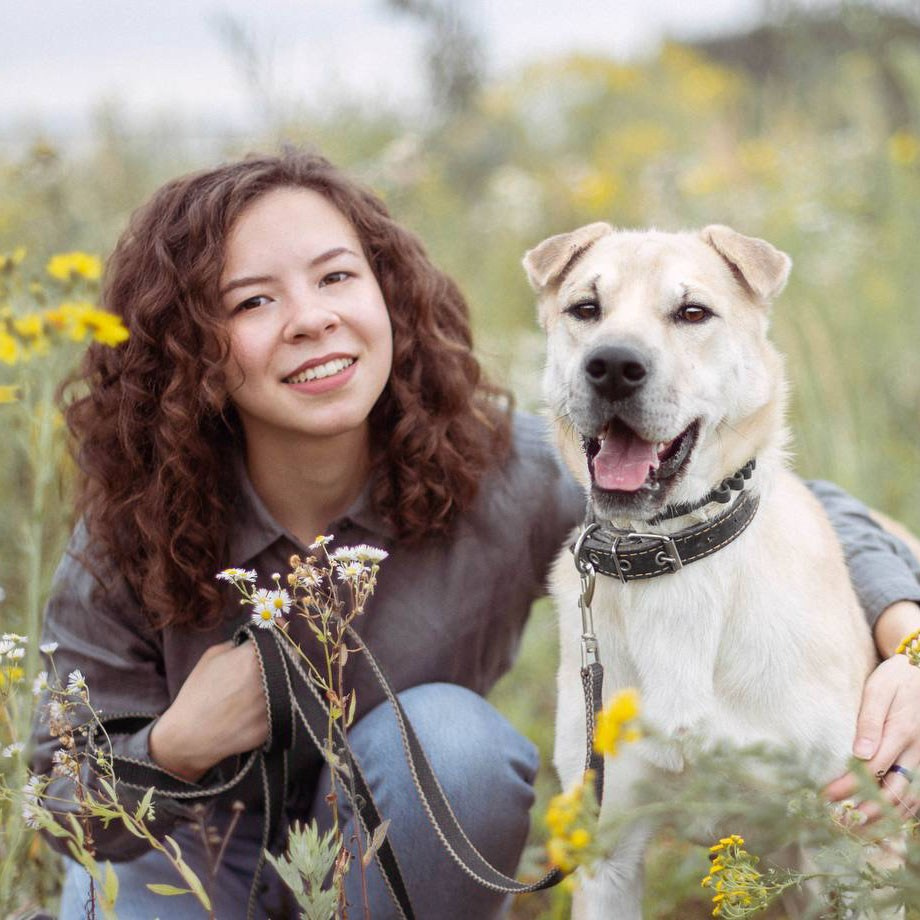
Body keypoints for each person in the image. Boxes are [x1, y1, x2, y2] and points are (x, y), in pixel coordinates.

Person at [32, 151, 920, 919]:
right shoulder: (133, 523)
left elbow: (776, 498)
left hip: (393, 859)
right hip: (186, 861)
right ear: (193, 346)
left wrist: (904, 637)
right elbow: (52, 797)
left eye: (338, 277)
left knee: (453, 740)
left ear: (390, 293)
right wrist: (175, 745)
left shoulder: (499, 469)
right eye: (253, 300)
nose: (311, 317)